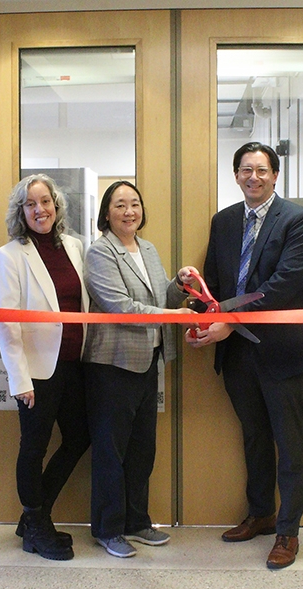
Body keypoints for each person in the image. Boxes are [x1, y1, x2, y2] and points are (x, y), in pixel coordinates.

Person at [186, 142, 303, 570]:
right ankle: (261, 514)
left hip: (282, 352)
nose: (253, 177)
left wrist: (230, 320)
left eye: (262, 170)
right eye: (246, 170)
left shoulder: (299, 220)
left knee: (289, 442)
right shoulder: (224, 221)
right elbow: (217, 284)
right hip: (238, 355)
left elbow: (282, 285)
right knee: (254, 438)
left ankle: (288, 531)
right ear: (236, 174)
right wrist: (194, 302)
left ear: (275, 175)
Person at [82, 180, 198, 559]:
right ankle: (107, 528)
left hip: (149, 360)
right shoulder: (100, 252)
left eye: (134, 204)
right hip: (112, 364)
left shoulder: (146, 248)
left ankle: (136, 521)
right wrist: (172, 314)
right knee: (110, 451)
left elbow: (158, 298)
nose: (129, 211)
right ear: (107, 213)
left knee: (142, 448)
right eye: (120, 205)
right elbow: (119, 305)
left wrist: (178, 287)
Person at [0, 174, 91, 561]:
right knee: (33, 447)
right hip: (36, 371)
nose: (40, 210)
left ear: (56, 205)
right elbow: (6, 320)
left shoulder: (75, 246)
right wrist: (18, 379)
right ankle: (36, 525)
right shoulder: (10, 255)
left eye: (45, 201)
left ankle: (35, 516)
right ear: (22, 211)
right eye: (31, 204)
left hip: (73, 364)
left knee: (79, 436)